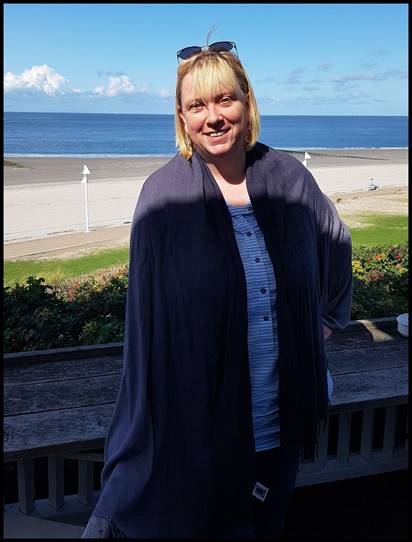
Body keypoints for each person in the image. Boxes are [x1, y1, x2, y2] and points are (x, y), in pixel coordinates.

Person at [82, 40, 352, 539]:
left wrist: (326, 322)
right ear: (182, 118)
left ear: (247, 104)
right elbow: (145, 325)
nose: (213, 117)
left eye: (225, 99)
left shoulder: (289, 178)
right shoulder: (162, 197)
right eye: (197, 105)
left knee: (266, 526)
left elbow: (335, 240)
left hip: (280, 424)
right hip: (199, 431)